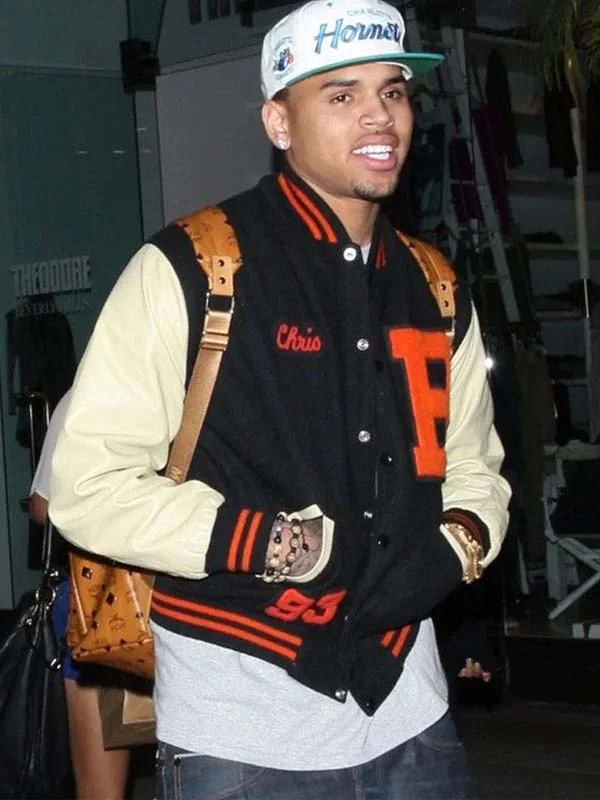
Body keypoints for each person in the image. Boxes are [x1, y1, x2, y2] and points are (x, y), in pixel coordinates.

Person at [49, 1, 511, 797]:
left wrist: (455, 547)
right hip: (242, 732)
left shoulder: (434, 287)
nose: (379, 115)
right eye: (341, 94)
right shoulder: (193, 269)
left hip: (412, 715)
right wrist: (267, 542)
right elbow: (85, 488)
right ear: (279, 121)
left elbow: (474, 467)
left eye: (393, 91)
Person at [29, 390, 131, 800]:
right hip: (199, 596)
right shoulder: (209, 382)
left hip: (103, 601)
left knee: (100, 790)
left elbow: (43, 507)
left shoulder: (89, 391)